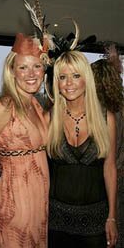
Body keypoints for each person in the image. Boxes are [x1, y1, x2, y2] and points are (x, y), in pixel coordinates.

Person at [0, 33, 51, 248]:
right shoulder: (4, 106)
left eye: (36, 66)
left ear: (44, 69)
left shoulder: (35, 105)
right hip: (12, 211)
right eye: (23, 67)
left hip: (38, 208)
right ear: (12, 72)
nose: (31, 74)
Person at [46, 50, 118, 248]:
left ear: (86, 79)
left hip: (95, 220)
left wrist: (112, 216)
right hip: (56, 220)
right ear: (56, 83)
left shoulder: (106, 118)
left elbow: (110, 168)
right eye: (63, 77)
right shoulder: (49, 119)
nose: (69, 83)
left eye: (76, 76)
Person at [91, 54, 124, 248]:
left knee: (107, 232)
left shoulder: (99, 114)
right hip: (119, 175)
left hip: (105, 179)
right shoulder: (120, 107)